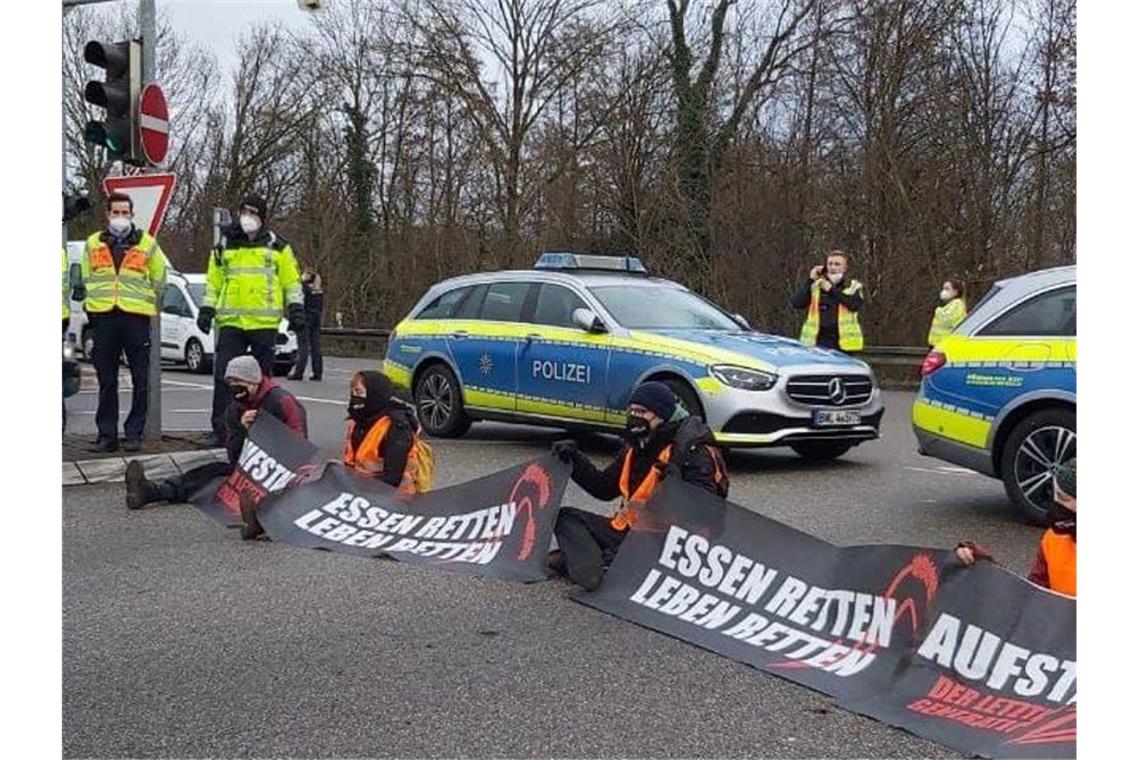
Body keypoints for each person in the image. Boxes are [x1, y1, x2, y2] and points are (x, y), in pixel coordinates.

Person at [548, 381, 729, 590]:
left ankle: (594, 563)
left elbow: (708, 514)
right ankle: (596, 568)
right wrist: (574, 459)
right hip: (627, 530)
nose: (635, 416)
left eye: (642, 411)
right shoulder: (636, 445)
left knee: (612, 552)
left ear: (662, 415)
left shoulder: (693, 451)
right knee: (566, 517)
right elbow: (604, 488)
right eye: (632, 410)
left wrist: (677, 487)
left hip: (667, 541)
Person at [124, 355, 309, 539]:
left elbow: (299, 444)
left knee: (292, 493)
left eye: (238, 381)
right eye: (230, 382)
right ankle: (152, 492)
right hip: (251, 468)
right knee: (211, 472)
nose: (234, 387)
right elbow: (234, 455)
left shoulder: (282, 401)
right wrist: (242, 429)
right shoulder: (235, 409)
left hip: (283, 468)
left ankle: (261, 521)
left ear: (253, 380)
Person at [198, 195, 305, 445]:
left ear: (263, 218)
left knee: (262, 381)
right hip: (232, 321)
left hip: (263, 323)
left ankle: (260, 430)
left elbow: (291, 281)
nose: (248, 217)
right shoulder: (226, 244)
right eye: (244, 211)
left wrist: (296, 308)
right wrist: (207, 309)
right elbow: (214, 281)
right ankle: (223, 431)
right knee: (225, 377)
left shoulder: (278, 246)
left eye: (253, 213)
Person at [80, 192, 167, 452]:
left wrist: (148, 305)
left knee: (141, 379)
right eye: (115, 212)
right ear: (108, 214)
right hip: (104, 317)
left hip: (135, 318)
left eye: (124, 213)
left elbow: (160, 280)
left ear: (131, 214)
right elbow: (87, 278)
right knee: (107, 379)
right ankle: (107, 435)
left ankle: (134, 434)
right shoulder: (93, 243)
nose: (120, 217)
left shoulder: (147, 244)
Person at [956, 458, 1076, 597]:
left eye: (1063, 499)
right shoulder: (1054, 539)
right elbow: (1030, 595)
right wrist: (980, 561)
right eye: (1054, 494)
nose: (1055, 503)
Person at [343, 371, 432, 494]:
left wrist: (356, 484)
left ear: (375, 394)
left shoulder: (396, 427)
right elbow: (350, 464)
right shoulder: (357, 422)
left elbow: (393, 478)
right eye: (352, 392)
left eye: (359, 392)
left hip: (398, 498)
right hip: (364, 492)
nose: (354, 398)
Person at [791, 249, 864, 352]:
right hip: (818, 341)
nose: (833, 267)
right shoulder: (817, 286)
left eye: (837, 264)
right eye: (830, 264)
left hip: (843, 343)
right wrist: (811, 280)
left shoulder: (853, 286)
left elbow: (854, 305)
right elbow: (797, 303)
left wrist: (831, 290)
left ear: (845, 268)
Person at [289, 262, 325, 381]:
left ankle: (299, 372)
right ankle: (317, 372)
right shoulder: (318, 290)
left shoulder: (304, 287)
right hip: (316, 319)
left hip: (305, 319)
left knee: (303, 347)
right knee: (315, 346)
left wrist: (302, 281)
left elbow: (298, 295)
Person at [927, 278, 967, 347]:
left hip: (945, 344)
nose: (943, 291)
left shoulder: (957, 304)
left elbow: (947, 319)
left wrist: (938, 310)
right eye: (943, 289)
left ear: (955, 292)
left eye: (947, 289)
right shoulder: (950, 305)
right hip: (939, 343)